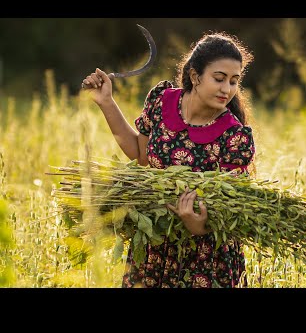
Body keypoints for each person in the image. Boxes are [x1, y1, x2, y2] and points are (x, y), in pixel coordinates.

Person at [81, 32, 256, 288]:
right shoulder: (162, 100)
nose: (226, 89)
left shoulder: (234, 135)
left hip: (205, 258)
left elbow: (234, 207)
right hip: (155, 246)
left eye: (233, 81)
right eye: (219, 79)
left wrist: (200, 226)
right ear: (195, 77)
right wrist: (106, 102)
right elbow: (142, 157)